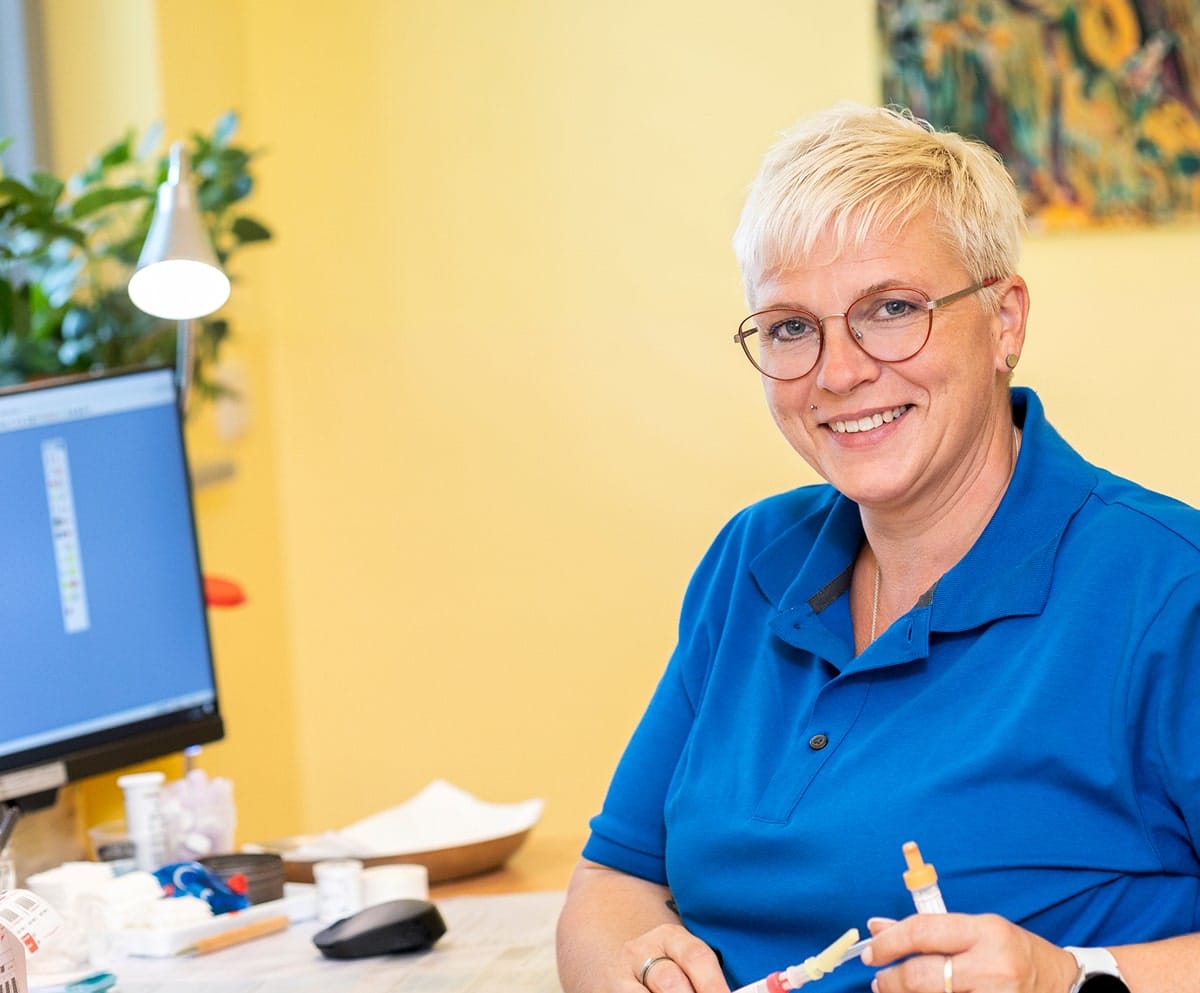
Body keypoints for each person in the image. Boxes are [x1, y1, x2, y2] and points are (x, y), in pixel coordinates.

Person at [555, 103, 1200, 993]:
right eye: (789, 326)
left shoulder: (1169, 590)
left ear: (1005, 320)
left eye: (891, 309)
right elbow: (616, 879)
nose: (838, 371)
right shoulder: (751, 560)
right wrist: (629, 965)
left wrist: (1069, 975)